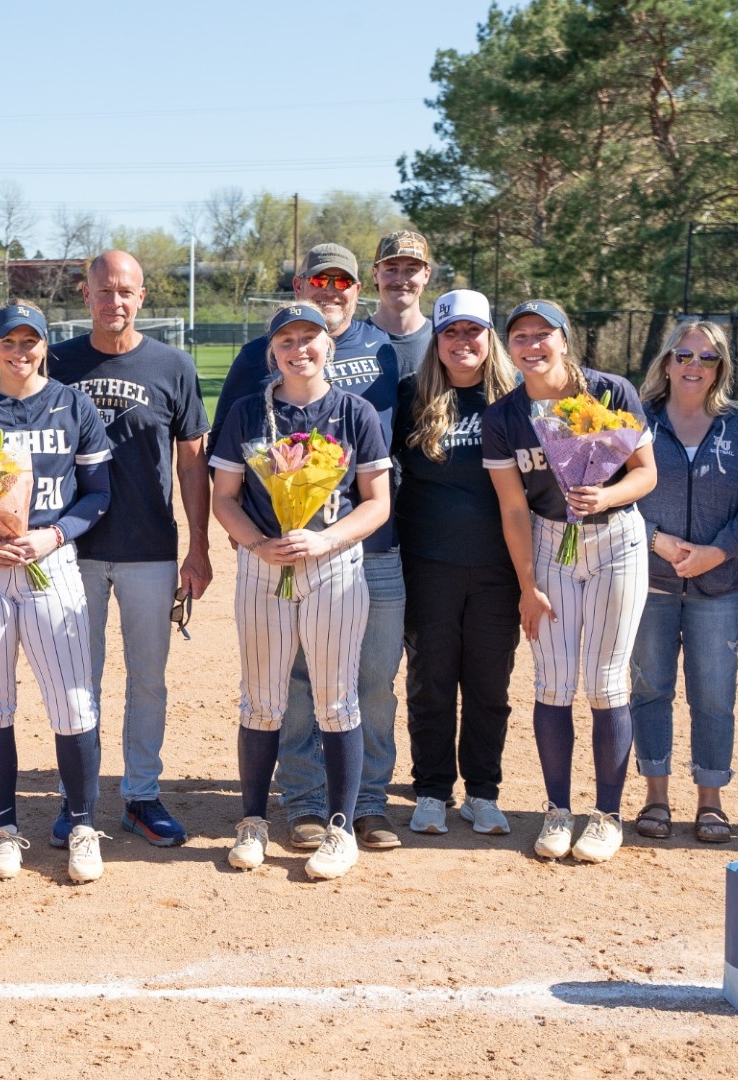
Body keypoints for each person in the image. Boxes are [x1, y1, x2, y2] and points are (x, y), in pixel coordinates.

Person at [213, 242, 416, 852]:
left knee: (345, 693)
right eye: (287, 341)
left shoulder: (359, 403)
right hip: (265, 565)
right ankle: (266, 815)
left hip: (342, 564)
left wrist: (324, 539)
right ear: (271, 351)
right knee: (268, 695)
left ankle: (347, 820)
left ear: (330, 345)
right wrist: (257, 543)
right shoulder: (249, 410)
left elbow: (377, 500)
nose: (299, 349)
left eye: (309, 339)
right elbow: (224, 497)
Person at [0, 300, 113, 883]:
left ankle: (82, 826)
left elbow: (98, 492)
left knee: (73, 703)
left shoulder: (72, 404)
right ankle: (5, 830)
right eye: (8, 341)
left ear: (44, 346)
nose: (18, 351)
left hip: (49, 560)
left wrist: (53, 535)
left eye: (29, 341)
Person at [42, 251, 211, 849]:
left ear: (141, 297)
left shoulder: (173, 365)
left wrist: (198, 547)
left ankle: (141, 795)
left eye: (126, 291)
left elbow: (192, 463)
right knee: (76, 681)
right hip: (71, 548)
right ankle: (78, 801)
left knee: (148, 681)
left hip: (150, 547)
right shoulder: (54, 361)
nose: (114, 300)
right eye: (104, 290)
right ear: (85, 295)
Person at [482, 299, 656, 864]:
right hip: (549, 540)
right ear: (509, 348)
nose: (532, 345)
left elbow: (646, 474)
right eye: (520, 336)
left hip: (616, 538)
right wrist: (527, 585)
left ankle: (606, 816)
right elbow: (513, 508)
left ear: (564, 338)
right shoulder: (504, 416)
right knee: (554, 682)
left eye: (543, 334)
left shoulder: (609, 391)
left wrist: (605, 495)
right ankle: (558, 810)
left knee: (606, 682)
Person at [630, 319, 738, 844]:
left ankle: (710, 800)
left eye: (707, 358)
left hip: (722, 586)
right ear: (667, 362)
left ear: (720, 368)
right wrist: (657, 541)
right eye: (684, 355)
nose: (694, 365)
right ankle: (656, 795)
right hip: (650, 582)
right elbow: (610, 495)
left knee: (714, 695)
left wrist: (718, 551)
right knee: (650, 688)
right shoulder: (635, 421)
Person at [394, 290, 521, 838]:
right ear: (436, 339)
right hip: (429, 564)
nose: (462, 341)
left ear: (490, 337)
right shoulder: (412, 395)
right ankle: (431, 790)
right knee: (432, 682)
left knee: (490, 686)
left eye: (473, 331)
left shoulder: (516, 399)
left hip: (499, 569)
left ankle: (483, 793)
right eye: (451, 332)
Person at [367, 230, 435, 390]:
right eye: (391, 269)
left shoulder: (442, 341)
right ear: (375, 274)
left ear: (426, 275)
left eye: (411, 270)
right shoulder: (354, 341)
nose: (400, 279)